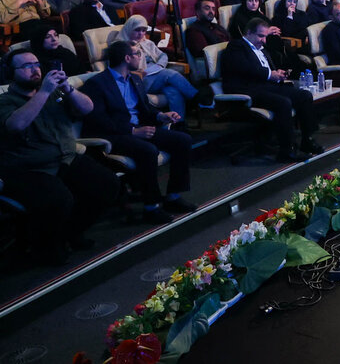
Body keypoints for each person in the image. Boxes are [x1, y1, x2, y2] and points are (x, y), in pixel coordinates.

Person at [0, 49, 118, 265]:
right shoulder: (5, 101)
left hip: (65, 158)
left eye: (36, 64)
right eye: (26, 66)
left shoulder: (55, 92)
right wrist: (44, 92)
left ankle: (70, 233)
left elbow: (87, 108)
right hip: (29, 168)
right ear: (10, 72)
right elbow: (16, 125)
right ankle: (45, 249)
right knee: (59, 199)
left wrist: (67, 89)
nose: (34, 69)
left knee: (107, 185)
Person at [81, 40, 195, 224]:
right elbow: (99, 121)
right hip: (115, 135)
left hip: (139, 129)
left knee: (183, 140)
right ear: (127, 58)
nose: (141, 57)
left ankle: (173, 196)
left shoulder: (134, 79)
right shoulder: (97, 84)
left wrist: (161, 116)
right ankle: (152, 207)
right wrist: (133, 131)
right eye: (138, 54)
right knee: (147, 151)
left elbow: (145, 109)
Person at [221, 16, 322, 162]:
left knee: (304, 95)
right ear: (248, 33)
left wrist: (277, 73)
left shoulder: (261, 49)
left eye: (265, 36)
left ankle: (307, 140)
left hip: (266, 86)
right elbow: (245, 68)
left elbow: (265, 69)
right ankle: (286, 150)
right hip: (248, 90)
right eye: (260, 36)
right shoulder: (236, 46)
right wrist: (270, 74)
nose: (263, 40)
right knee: (283, 103)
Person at [112, 15, 199, 123]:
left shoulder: (147, 43)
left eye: (144, 30)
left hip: (156, 74)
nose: (141, 34)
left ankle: (177, 123)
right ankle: (196, 98)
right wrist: (135, 48)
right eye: (137, 30)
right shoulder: (119, 46)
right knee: (170, 74)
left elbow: (163, 56)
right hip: (139, 80)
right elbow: (126, 68)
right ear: (129, 29)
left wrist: (160, 66)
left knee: (173, 91)